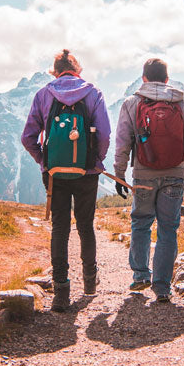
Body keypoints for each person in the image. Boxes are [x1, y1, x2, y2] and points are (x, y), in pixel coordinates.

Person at [21, 49, 111, 312]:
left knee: (60, 228)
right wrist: (95, 161)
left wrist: (44, 161)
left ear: (55, 71)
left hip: (55, 174)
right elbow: (104, 134)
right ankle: (90, 283)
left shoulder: (43, 94)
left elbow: (28, 137)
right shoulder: (94, 93)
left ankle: (61, 291)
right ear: (78, 70)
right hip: (87, 173)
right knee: (85, 226)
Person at [113, 58, 184, 302]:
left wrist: (119, 174)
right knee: (168, 228)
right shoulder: (182, 105)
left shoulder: (132, 103)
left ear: (144, 78)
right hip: (173, 174)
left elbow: (123, 142)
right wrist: (182, 171)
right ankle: (162, 286)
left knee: (141, 222)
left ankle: (141, 275)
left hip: (143, 175)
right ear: (167, 79)